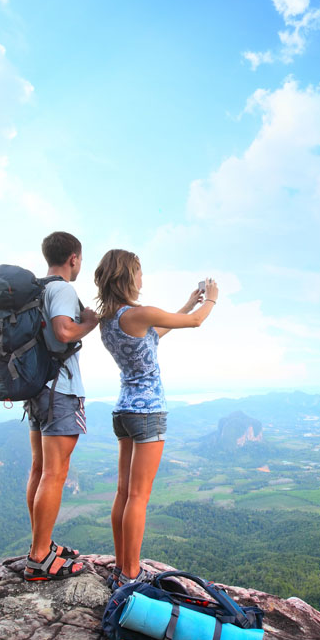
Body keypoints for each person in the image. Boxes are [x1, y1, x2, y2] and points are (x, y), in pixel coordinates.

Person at [94, 249, 219, 587]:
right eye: (138, 272)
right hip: (148, 412)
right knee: (138, 496)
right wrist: (211, 301)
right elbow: (195, 324)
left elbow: (154, 336)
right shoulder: (139, 313)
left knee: (123, 492)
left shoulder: (109, 319)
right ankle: (132, 573)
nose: (142, 278)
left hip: (123, 411)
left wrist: (188, 303)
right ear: (126, 276)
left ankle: (122, 567)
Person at [23, 231, 100, 581]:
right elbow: (65, 331)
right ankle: (40, 557)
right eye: (79, 260)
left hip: (37, 388)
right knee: (55, 473)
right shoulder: (62, 289)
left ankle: (43, 544)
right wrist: (90, 323)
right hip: (60, 390)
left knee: (40, 470)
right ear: (74, 258)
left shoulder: (36, 288)